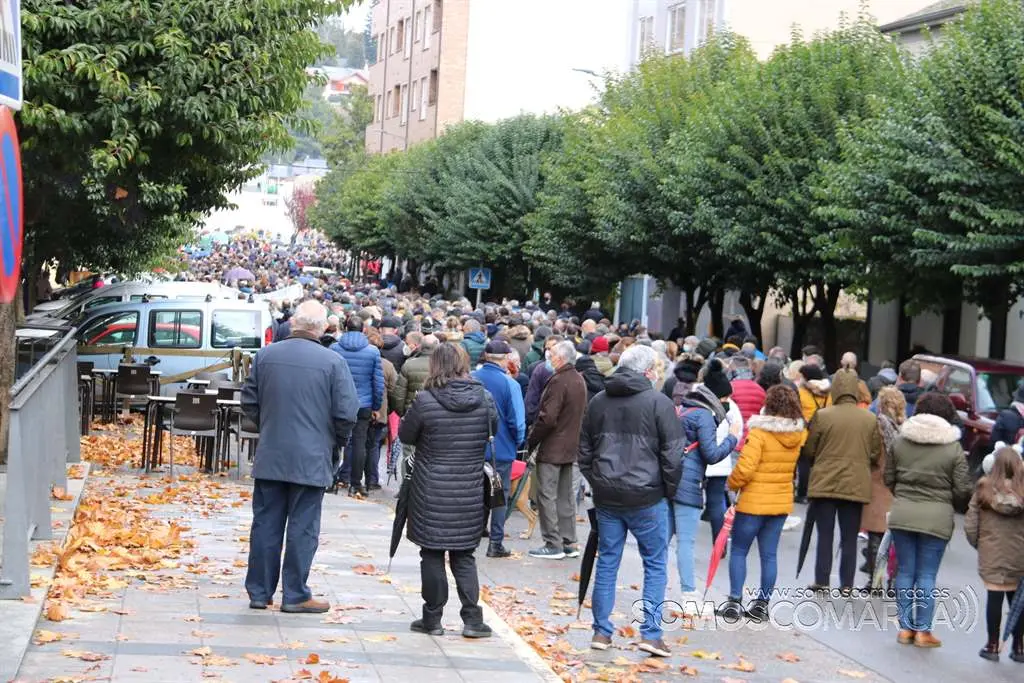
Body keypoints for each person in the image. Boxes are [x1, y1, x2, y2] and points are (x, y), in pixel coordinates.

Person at [242, 300, 359, 613]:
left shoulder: (265, 356)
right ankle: (294, 594)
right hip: (312, 455)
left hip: (271, 453)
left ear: (294, 324)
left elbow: (249, 402)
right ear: (321, 329)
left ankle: (259, 592)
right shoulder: (332, 362)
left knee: (265, 524)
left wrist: (268, 425)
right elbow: (346, 412)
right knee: (303, 527)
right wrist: (336, 443)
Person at [579, 345, 683, 657]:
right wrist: (668, 489)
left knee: (608, 560)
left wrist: (597, 481)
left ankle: (601, 631)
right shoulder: (658, 403)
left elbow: (584, 450)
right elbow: (674, 455)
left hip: (609, 495)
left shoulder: (599, 401)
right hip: (647, 495)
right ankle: (651, 633)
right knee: (655, 563)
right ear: (649, 370)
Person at [399, 343, 495, 638]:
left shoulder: (425, 400)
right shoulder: (484, 397)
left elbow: (406, 435)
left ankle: (433, 618)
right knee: (464, 555)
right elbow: (495, 430)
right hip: (468, 489)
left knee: (431, 553)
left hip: (430, 488)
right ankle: (472, 620)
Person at [885, 392, 972, 648]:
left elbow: (888, 478)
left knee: (905, 572)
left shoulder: (900, 442)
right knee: (926, 575)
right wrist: (949, 502)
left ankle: (904, 629)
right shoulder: (952, 447)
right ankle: (923, 631)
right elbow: (963, 487)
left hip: (903, 514)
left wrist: (902, 496)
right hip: (937, 517)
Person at [718, 385, 806, 622]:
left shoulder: (759, 434)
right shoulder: (797, 435)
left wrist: (732, 483)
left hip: (753, 502)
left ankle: (734, 602)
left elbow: (745, 469)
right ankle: (762, 605)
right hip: (779, 502)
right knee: (769, 555)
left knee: (739, 550)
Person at [802, 368, 880, 595]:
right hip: (855, 483)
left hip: (825, 482)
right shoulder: (869, 419)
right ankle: (847, 583)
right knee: (849, 537)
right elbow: (875, 453)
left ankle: (822, 580)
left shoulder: (823, 415)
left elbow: (810, 449)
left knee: (825, 534)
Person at [674, 360, 740, 613]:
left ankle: (659, 590)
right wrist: (732, 437)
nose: (727, 403)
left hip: (671, 481)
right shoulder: (704, 415)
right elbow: (711, 454)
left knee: (664, 541)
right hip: (688, 484)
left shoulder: (685, 408)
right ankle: (689, 594)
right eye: (725, 398)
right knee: (686, 542)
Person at [527, 340, 588, 559]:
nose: (549, 357)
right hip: (570, 445)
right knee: (565, 497)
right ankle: (569, 541)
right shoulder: (578, 380)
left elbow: (548, 418)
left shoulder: (559, 381)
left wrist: (532, 439)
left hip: (553, 446)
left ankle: (553, 543)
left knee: (547, 495)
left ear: (560, 358)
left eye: (552, 354)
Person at [966, 445, 1024, 662]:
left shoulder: (983, 490)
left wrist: (980, 545)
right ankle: (1018, 647)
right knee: (1017, 600)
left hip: (991, 553)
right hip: (1019, 555)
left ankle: (992, 645)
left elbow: (971, 525)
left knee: (994, 598)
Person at [472, 341, 526, 558]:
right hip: (500, 448)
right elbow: (517, 422)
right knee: (499, 494)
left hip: (471, 445)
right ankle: (495, 543)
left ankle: (472, 535)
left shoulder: (471, 378)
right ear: (505, 359)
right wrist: (517, 442)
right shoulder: (510, 384)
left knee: (475, 491)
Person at [331, 315, 384, 497]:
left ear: (345, 328)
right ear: (363, 330)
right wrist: (376, 406)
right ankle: (355, 484)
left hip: (338, 401)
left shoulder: (335, 348)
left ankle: (332, 480)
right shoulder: (372, 352)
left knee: (334, 441)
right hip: (363, 402)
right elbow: (378, 383)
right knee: (359, 443)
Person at [860, 386, 903, 587]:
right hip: (898, 487)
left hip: (878, 482)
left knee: (877, 535)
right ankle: (893, 582)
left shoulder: (877, 426)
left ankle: (875, 581)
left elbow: (871, 454)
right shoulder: (906, 428)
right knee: (896, 539)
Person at [794, 364, 832, 503]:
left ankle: (802, 494)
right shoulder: (829, 393)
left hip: (805, 433)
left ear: (806, 377)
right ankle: (816, 492)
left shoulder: (801, 392)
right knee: (817, 464)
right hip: (822, 433)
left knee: (804, 465)